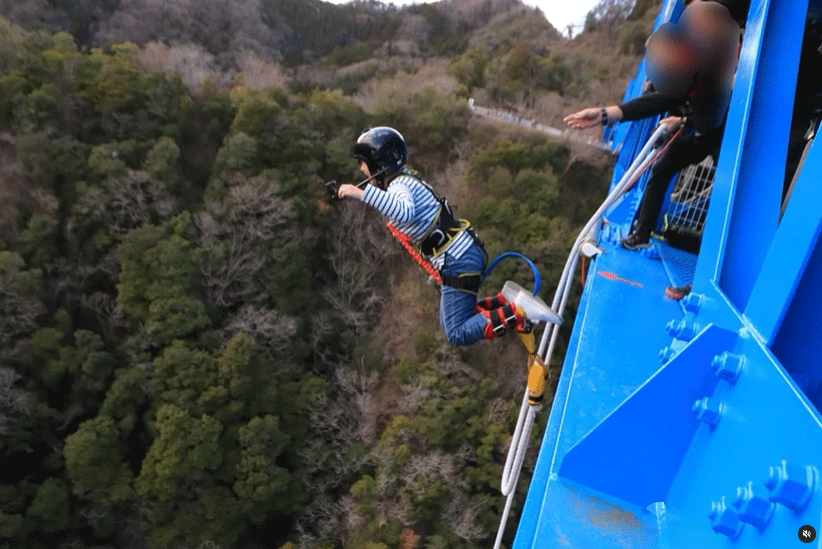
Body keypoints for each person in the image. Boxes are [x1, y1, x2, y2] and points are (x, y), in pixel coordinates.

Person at [564, 1, 740, 251]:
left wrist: (682, 120)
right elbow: (661, 100)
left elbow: (723, 101)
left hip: (727, 131)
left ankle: (719, 255)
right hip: (699, 128)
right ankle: (641, 235)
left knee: (731, 182)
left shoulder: (717, 55)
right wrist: (606, 114)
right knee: (662, 168)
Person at [336, 127, 532, 346]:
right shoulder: (405, 180)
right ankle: (503, 303)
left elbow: (404, 211)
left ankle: (519, 311)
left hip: (458, 259)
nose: (362, 168)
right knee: (448, 321)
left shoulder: (399, 185)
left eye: (364, 162)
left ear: (378, 164)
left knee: (457, 332)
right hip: (459, 257)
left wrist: (360, 193)